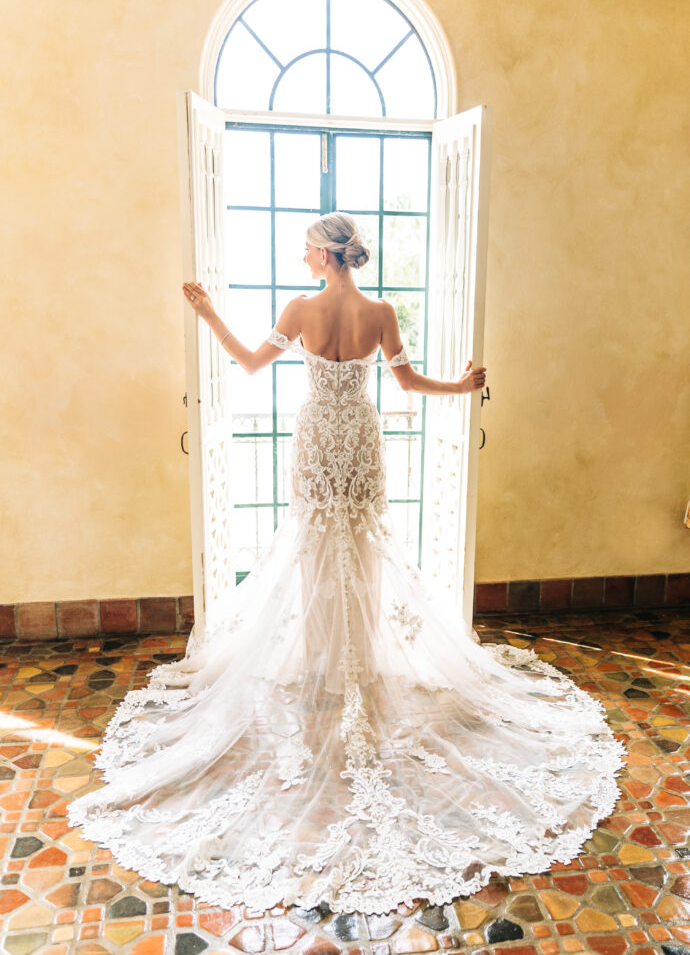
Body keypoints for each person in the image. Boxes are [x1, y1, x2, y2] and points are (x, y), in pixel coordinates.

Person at [68, 213, 625, 915]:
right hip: (358, 437)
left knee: (314, 549)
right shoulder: (382, 312)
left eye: (306, 246)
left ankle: (329, 670)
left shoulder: (300, 310)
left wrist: (209, 313)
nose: (300, 255)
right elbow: (409, 385)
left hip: (317, 437)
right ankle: (349, 665)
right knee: (359, 546)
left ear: (327, 254)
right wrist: (464, 387)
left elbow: (247, 364)